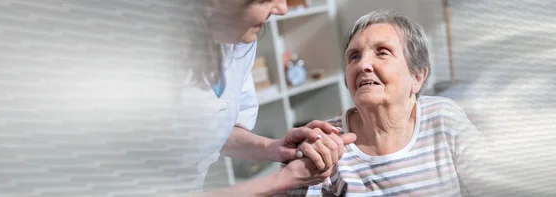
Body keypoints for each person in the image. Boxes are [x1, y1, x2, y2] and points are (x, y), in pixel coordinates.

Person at [282, 10, 487, 196]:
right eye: (354, 56)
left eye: (382, 52)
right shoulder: (326, 142)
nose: (362, 64)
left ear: (417, 77)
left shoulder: (444, 118)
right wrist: (296, 169)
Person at [178, 0, 358, 196]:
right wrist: (282, 180)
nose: (282, 9)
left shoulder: (238, 40)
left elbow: (213, 128)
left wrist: (273, 148)